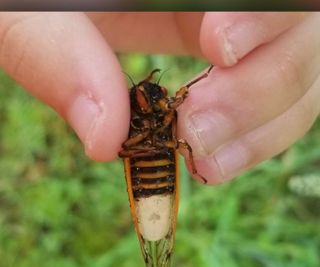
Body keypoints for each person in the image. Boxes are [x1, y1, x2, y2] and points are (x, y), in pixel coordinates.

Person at [0, 12, 318, 184]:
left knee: (184, 139)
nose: (153, 97)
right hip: (151, 160)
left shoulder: (167, 111)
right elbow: (125, 147)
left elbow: (174, 120)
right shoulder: (157, 113)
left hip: (155, 158)